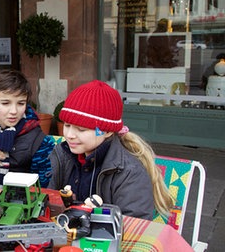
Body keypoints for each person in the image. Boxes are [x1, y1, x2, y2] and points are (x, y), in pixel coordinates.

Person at [48, 80, 173, 220]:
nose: (69, 135)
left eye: (81, 129)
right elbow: (42, 200)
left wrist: (97, 216)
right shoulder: (61, 154)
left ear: (107, 131)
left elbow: (134, 224)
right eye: (67, 125)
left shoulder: (129, 171)